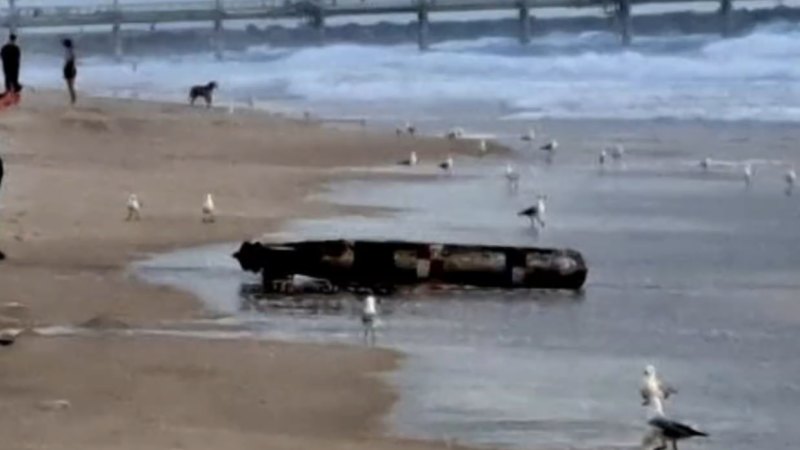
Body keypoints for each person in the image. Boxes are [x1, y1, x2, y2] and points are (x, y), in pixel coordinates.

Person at [62, 38, 77, 105]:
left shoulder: (70, 51)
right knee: (70, 85)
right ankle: (72, 98)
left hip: (69, 67)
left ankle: (73, 98)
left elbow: (73, 60)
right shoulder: (68, 50)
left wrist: (72, 68)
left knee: (70, 85)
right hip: (68, 66)